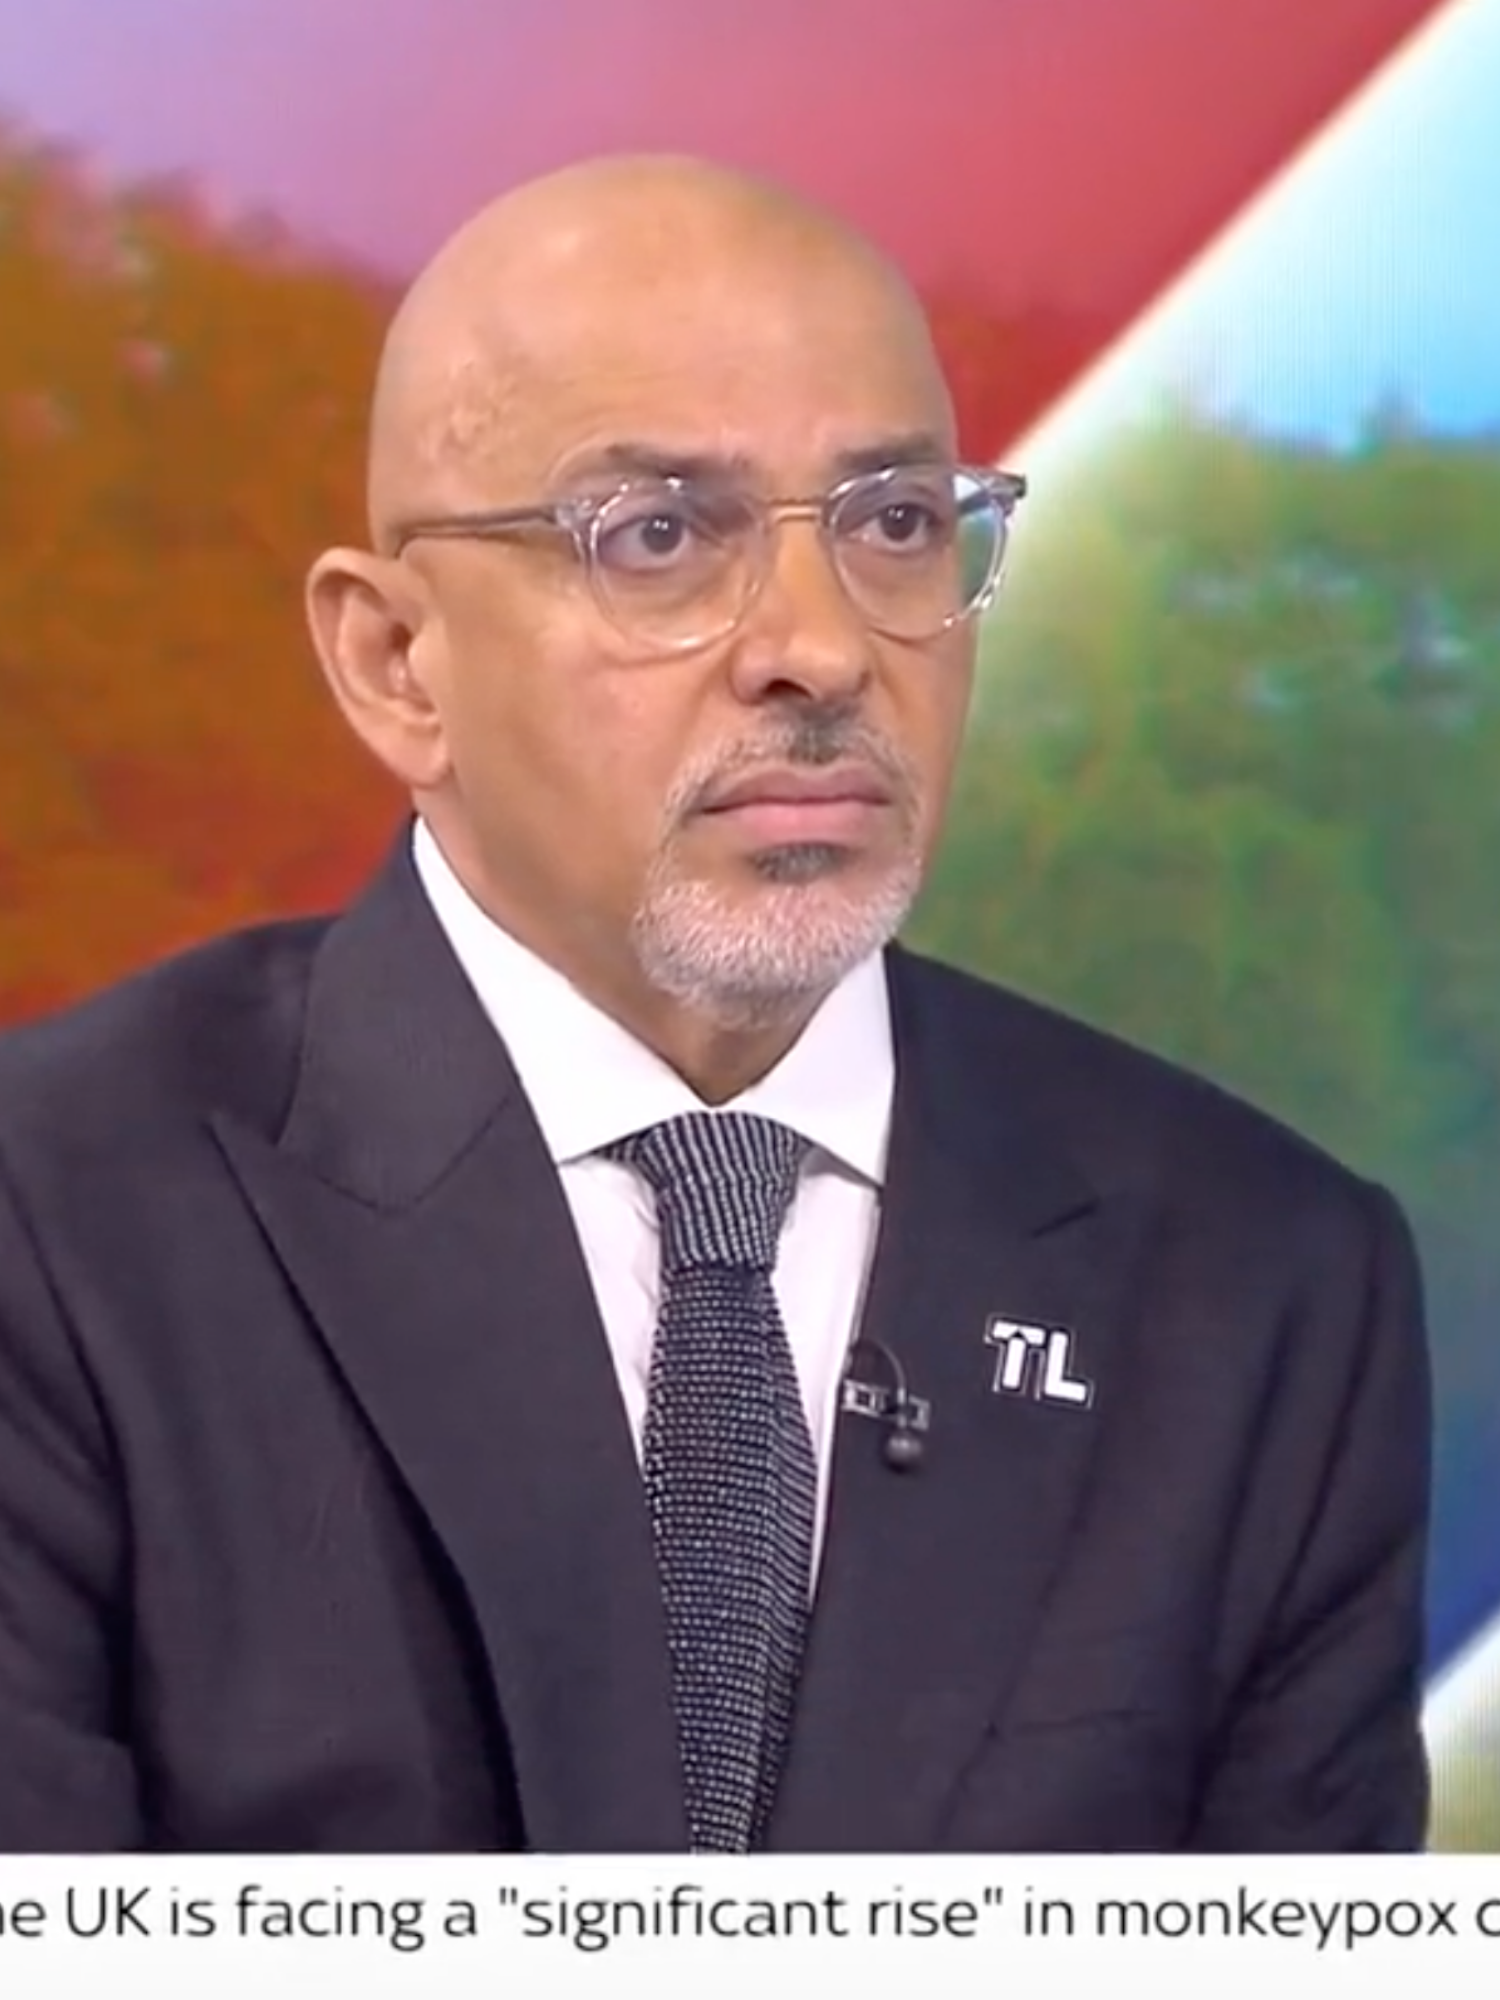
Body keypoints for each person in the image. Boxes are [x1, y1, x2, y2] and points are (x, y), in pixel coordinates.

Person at [0, 154, 1430, 1853]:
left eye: (896, 523)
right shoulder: (57, 1226)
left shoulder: (1267, 1284)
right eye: (661, 534)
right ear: (398, 664)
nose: (821, 650)